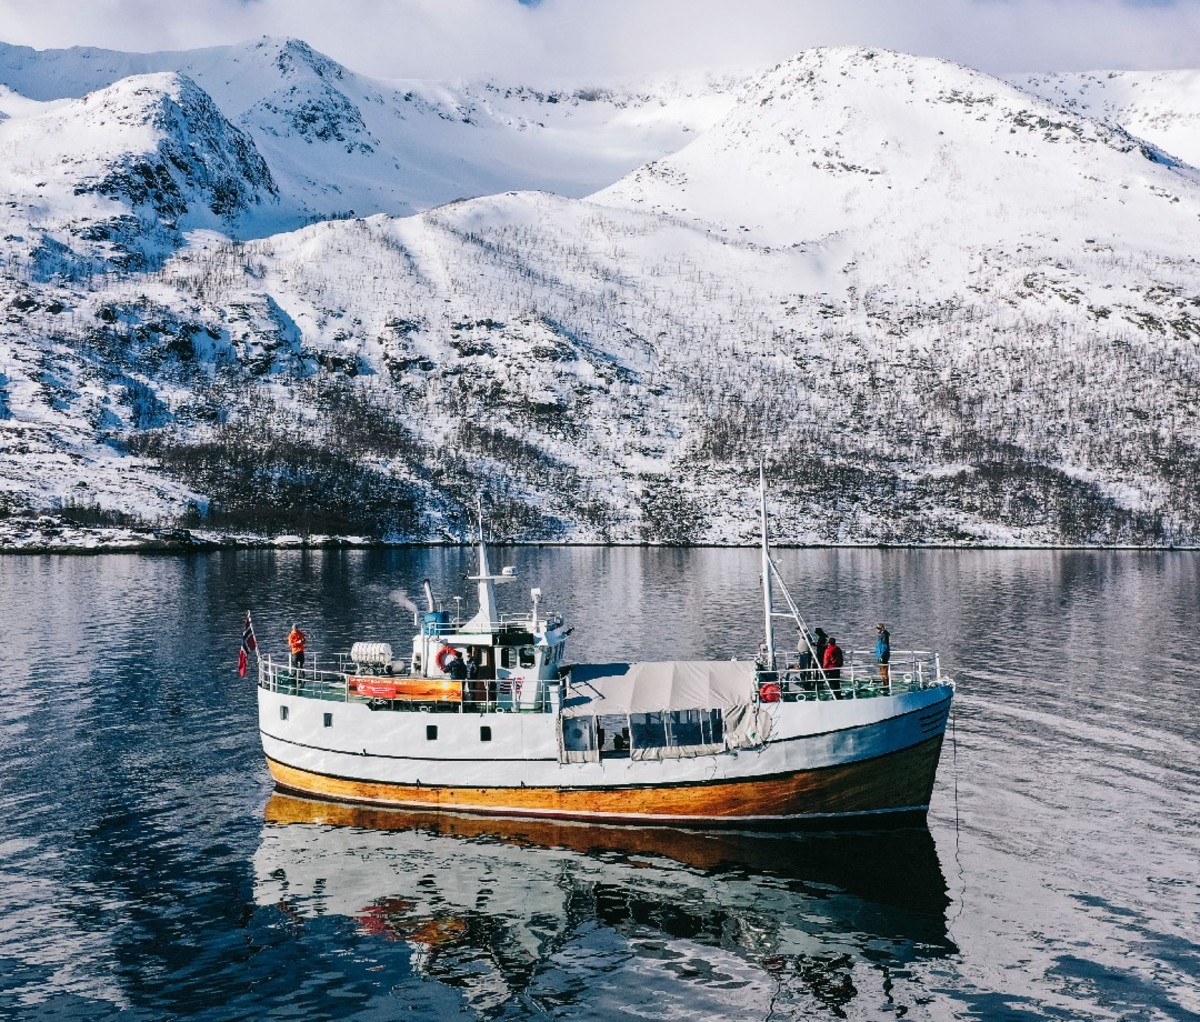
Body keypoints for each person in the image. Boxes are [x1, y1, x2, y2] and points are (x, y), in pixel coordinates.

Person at [876, 623, 891, 687]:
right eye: (877, 629)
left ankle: (886, 684)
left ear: (882, 628)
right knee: (882, 671)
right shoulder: (882, 635)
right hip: (881, 656)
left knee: (884, 670)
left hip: (883, 656)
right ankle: (885, 683)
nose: (877, 630)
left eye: (878, 628)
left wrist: (881, 655)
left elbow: (884, 646)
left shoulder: (884, 635)